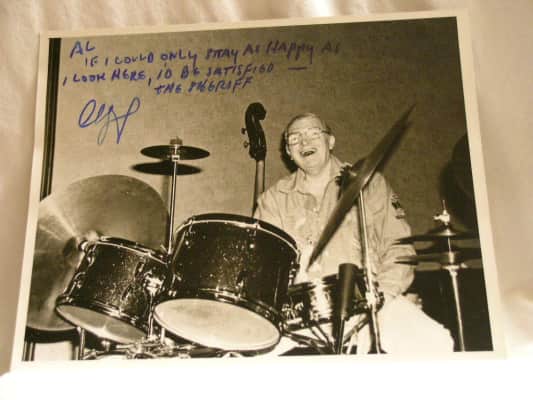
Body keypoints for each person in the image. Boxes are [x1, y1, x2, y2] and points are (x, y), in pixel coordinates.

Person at [254, 112, 454, 355]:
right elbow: (265, 267)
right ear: (288, 151)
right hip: (301, 312)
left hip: (371, 302)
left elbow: (400, 248)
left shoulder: (370, 184)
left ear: (330, 141)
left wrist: (384, 295)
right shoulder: (273, 200)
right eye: (294, 138)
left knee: (434, 342)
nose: (304, 142)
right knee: (250, 357)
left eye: (313, 134)